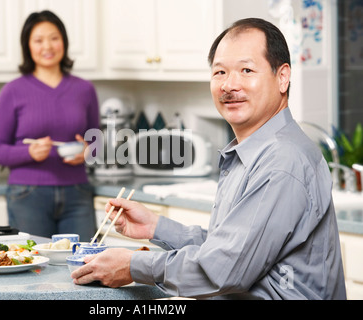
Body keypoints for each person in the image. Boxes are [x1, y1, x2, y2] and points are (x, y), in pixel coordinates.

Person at [71, 18, 347, 300]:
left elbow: (225, 269)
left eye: (246, 70)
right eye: (220, 72)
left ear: (283, 77)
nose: (229, 85)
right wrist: (156, 227)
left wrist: (133, 266)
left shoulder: (282, 160)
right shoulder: (253, 152)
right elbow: (229, 248)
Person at [0, 10, 99, 240]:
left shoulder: (85, 90)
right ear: (28, 46)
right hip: (28, 195)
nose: (47, 46)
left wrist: (88, 151)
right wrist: (28, 152)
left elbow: (96, 143)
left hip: (77, 193)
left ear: (64, 42)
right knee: (35, 268)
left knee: (85, 266)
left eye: (54, 38)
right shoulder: (13, 91)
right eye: (38, 40)